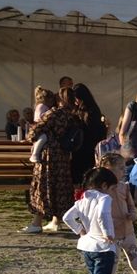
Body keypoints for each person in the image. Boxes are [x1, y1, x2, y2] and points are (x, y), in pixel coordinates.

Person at [61, 167, 117, 274]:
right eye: (112, 188)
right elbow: (103, 214)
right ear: (104, 185)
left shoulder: (82, 200)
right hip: (103, 247)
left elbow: (67, 217)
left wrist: (79, 230)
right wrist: (107, 233)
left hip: (87, 246)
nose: (112, 192)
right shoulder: (104, 198)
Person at [21, 87, 82, 234]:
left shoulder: (54, 113)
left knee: (43, 186)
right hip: (63, 156)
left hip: (48, 155)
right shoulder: (72, 116)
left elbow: (35, 130)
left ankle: (37, 223)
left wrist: (31, 136)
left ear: (59, 99)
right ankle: (56, 220)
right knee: (60, 187)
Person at [71, 83, 107, 186]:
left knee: (82, 174)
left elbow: (92, 129)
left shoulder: (88, 111)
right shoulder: (92, 109)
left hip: (85, 147)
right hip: (86, 147)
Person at [27, 87, 56, 164]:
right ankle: (35, 154)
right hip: (39, 127)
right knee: (44, 137)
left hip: (39, 126)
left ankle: (35, 150)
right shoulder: (42, 106)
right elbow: (42, 117)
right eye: (51, 100)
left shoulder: (40, 106)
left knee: (41, 139)